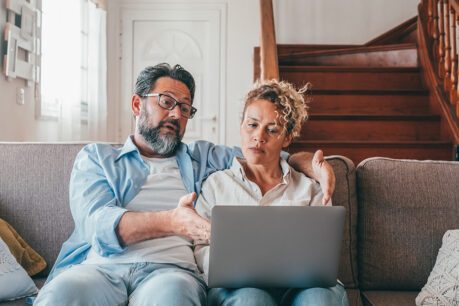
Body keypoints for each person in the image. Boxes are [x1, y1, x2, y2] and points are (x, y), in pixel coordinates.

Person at [34, 63, 336, 306]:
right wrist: (174, 222)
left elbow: (269, 153)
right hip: (98, 268)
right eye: (166, 102)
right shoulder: (97, 158)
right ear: (137, 104)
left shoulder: (203, 157)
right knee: (62, 295)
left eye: (185, 108)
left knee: (173, 296)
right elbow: (96, 225)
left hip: (170, 272)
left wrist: (316, 166)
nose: (176, 114)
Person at [194, 79, 349, 306]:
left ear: (287, 138)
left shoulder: (311, 189)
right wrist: (229, 268)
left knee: (319, 299)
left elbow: (322, 254)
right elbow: (200, 248)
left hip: (303, 288)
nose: (259, 136)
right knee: (251, 300)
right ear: (241, 127)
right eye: (252, 124)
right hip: (238, 288)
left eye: (272, 129)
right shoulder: (216, 185)